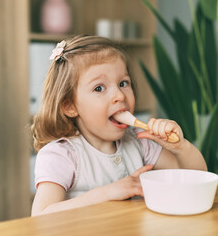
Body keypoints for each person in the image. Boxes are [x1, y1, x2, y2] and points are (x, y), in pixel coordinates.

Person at [31, 35, 207, 216]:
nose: (120, 96)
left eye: (123, 83)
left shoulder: (139, 142)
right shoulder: (62, 155)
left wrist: (181, 147)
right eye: (99, 88)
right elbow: (40, 216)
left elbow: (195, 181)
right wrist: (108, 193)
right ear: (70, 106)